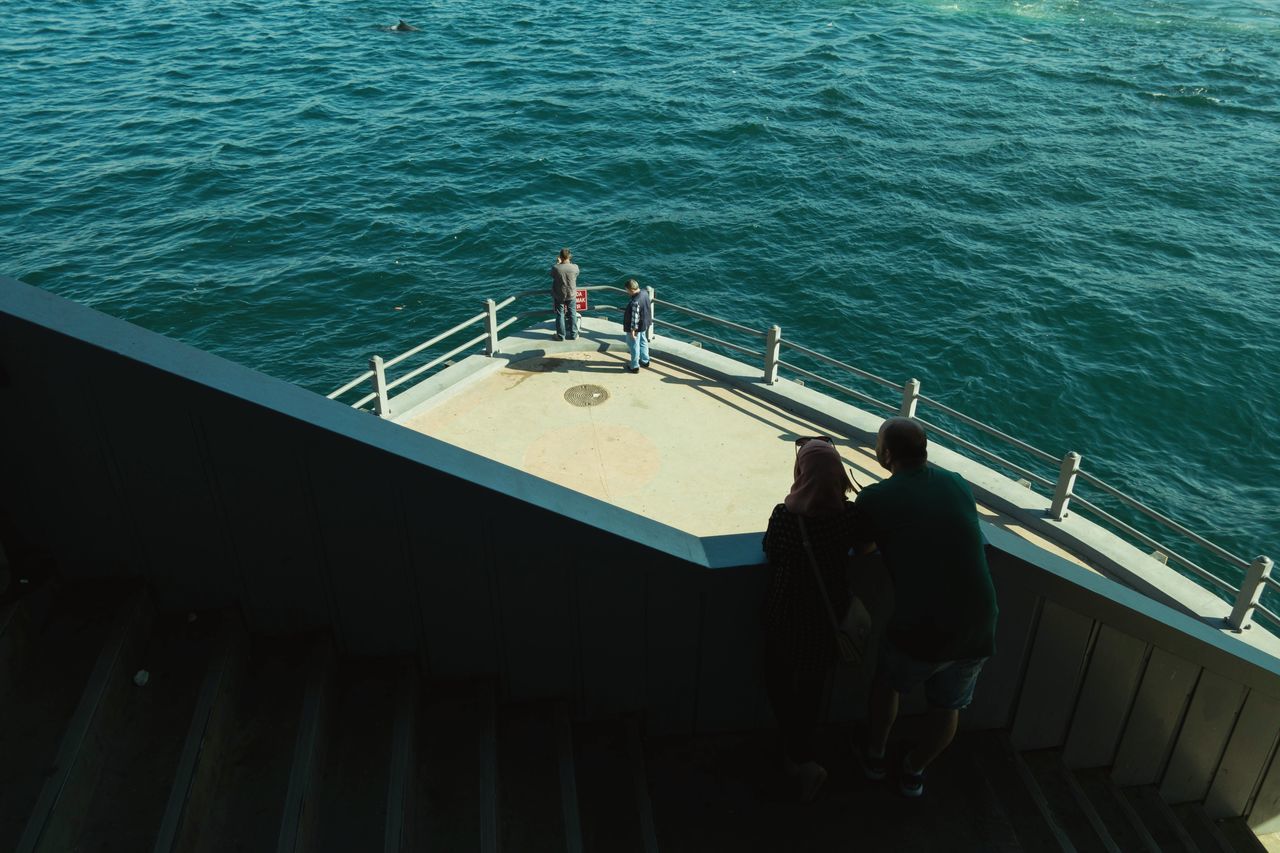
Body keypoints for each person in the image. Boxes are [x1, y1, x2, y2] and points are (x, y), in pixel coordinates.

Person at [853, 417, 998, 797]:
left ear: (885, 454)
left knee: (887, 685)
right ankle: (914, 770)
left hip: (923, 626)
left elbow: (863, 547)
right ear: (925, 450)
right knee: (947, 707)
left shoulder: (875, 498)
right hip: (979, 625)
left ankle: (874, 756)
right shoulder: (957, 483)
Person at [761, 437, 860, 802]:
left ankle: (801, 761)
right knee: (811, 691)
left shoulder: (786, 517)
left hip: (785, 612)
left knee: (778, 682)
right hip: (825, 617)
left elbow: (769, 550)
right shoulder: (848, 518)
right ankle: (799, 756)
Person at [621, 278, 651, 373]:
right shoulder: (645, 293)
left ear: (631, 290)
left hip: (636, 327)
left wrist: (633, 330)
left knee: (634, 345)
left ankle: (634, 366)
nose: (627, 292)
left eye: (627, 290)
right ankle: (645, 361)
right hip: (645, 323)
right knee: (643, 341)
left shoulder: (635, 302)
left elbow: (634, 317)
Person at [550, 248, 579, 341]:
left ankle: (561, 336)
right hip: (571, 294)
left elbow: (552, 275)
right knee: (572, 314)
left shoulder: (556, 267)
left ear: (560, 257)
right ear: (570, 256)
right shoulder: (575, 267)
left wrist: (558, 263)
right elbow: (576, 274)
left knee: (560, 314)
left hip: (559, 295)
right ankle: (574, 335)